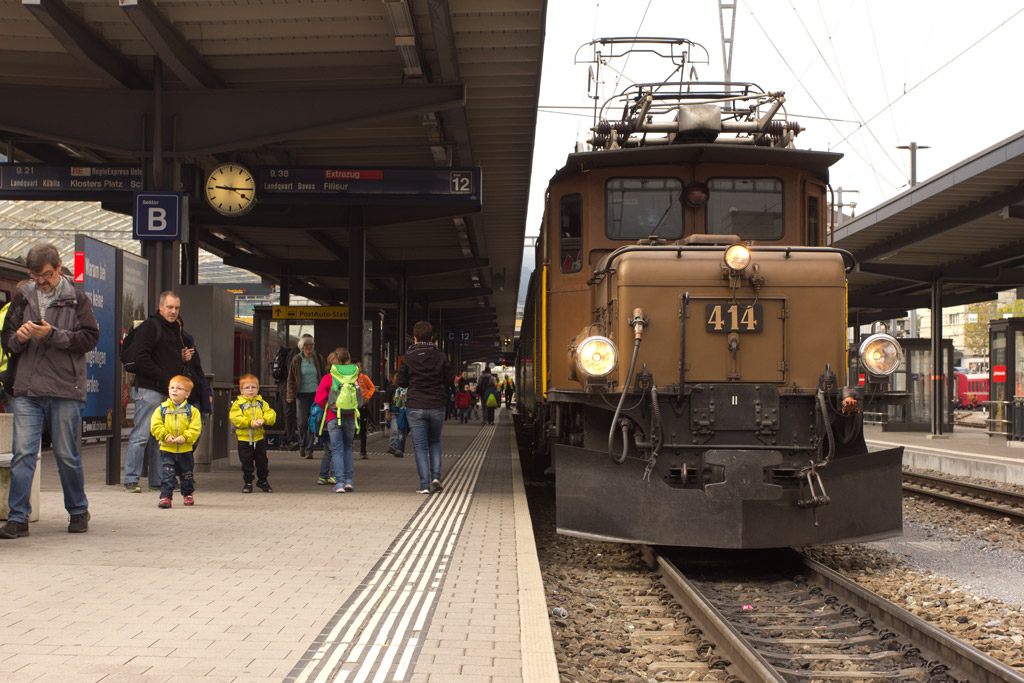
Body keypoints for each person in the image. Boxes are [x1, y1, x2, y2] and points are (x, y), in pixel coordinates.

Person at [0, 244, 98, 538]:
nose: (40, 282)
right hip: (27, 388)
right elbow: (6, 338)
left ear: (58, 267)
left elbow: (89, 338)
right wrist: (18, 337)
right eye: (35, 276)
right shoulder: (23, 297)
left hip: (64, 388)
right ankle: (18, 517)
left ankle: (78, 510)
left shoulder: (77, 299)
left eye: (45, 275)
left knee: (67, 454)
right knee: (23, 454)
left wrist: (53, 335)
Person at [123, 290, 188, 493]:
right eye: (169, 307)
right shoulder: (150, 327)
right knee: (141, 435)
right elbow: (141, 357)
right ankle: (131, 479)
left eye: (176, 308)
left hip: (166, 391)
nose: (173, 311)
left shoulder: (173, 330)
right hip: (149, 389)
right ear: (160, 307)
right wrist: (162, 376)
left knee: (160, 437)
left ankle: (157, 480)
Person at [396, 321, 454, 494]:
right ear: (431, 338)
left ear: (414, 338)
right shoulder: (441, 356)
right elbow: (450, 380)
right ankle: (436, 477)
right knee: (435, 441)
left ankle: (424, 485)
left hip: (415, 406)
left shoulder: (408, 357)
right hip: (437, 405)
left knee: (420, 446)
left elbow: (401, 382)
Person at [151, 374, 202, 508]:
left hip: (185, 450)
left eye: (179, 388)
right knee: (167, 474)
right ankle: (166, 497)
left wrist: (185, 437)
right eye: (172, 387)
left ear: (187, 394)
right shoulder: (161, 409)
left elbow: (195, 428)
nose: (174, 390)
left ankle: (188, 493)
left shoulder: (192, 411)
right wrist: (165, 436)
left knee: (187, 474)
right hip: (167, 449)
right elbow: (155, 426)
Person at [315, 348, 359, 493]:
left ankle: (339, 483)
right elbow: (360, 398)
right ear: (348, 361)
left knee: (337, 450)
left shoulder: (328, 378)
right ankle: (348, 481)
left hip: (333, 418)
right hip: (351, 418)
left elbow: (319, 400)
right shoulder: (354, 378)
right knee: (348, 448)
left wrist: (329, 408)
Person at [229, 373, 277, 493]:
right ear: (241, 390)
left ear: (258, 389)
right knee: (246, 462)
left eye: (253, 387)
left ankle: (263, 480)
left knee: (262, 461)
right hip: (244, 439)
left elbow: (271, 414)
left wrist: (264, 420)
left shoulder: (261, 403)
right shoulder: (238, 404)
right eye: (247, 388)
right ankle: (248, 482)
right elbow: (235, 418)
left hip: (259, 438)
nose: (250, 390)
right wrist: (250, 422)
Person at [286, 334, 326, 459]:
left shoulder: (318, 358)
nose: (309, 347)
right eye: (307, 345)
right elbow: (291, 378)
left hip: (316, 394)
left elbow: (325, 375)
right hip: (301, 395)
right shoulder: (296, 359)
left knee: (313, 422)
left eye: (311, 345)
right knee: (302, 422)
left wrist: (326, 392)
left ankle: (309, 449)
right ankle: (302, 445)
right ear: (302, 347)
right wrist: (290, 395)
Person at [177, 315, 212, 422]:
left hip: (194, 393)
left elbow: (198, 370)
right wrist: (180, 358)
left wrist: (207, 392)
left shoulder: (189, 342)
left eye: (179, 325)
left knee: (196, 429)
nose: (176, 328)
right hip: (176, 395)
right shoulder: (164, 343)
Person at [384, 371, 407, 457]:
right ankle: (392, 445)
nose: (398, 379)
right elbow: (386, 401)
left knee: (400, 429)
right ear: (391, 378)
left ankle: (396, 446)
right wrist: (387, 412)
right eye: (396, 376)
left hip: (401, 412)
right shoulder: (390, 388)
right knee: (394, 429)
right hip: (393, 412)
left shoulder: (402, 388)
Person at [355, 363, 375, 458]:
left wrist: (367, 397)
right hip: (353, 406)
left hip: (363, 405)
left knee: (363, 428)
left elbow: (372, 387)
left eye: (358, 366)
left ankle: (363, 450)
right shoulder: (349, 378)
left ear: (361, 368)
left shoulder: (364, 377)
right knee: (352, 428)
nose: (357, 368)